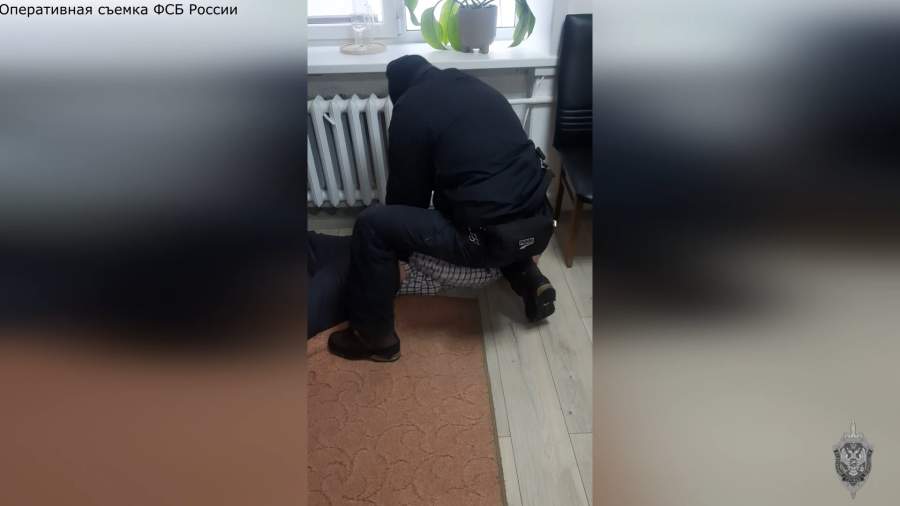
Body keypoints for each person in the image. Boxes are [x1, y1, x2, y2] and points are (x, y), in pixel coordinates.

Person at [328, 55, 556, 362]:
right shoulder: (476, 87)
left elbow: (408, 199)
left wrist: (398, 259)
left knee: (372, 224)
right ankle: (528, 277)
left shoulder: (410, 108)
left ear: (398, 92)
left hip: (481, 239)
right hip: (536, 220)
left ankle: (374, 337)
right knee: (489, 206)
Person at [307, 231, 501, 338]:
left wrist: (398, 241)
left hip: (387, 267)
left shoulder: (488, 270)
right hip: (372, 245)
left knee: (322, 296)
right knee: (311, 244)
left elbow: (429, 261)